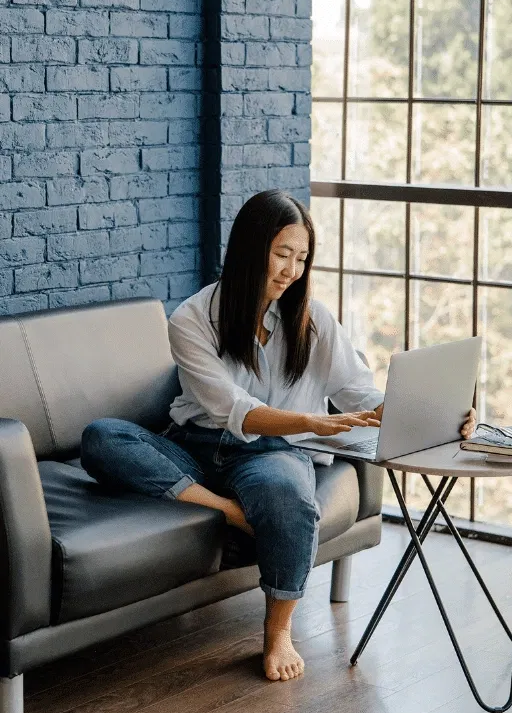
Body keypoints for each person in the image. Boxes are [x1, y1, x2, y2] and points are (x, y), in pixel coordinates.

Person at [81, 190, 476, 682]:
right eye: (282, 255)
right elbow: (230, 408)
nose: (292, 270)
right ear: (251, 249)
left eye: (302, 258)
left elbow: (358, 392)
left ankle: (278, 631)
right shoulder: (191, 318)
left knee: (289, 496)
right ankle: (228, 511)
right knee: (101, 437)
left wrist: (438, 413)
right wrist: (309, 421)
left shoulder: (312, 319)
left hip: (272, 453)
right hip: (195, 446)